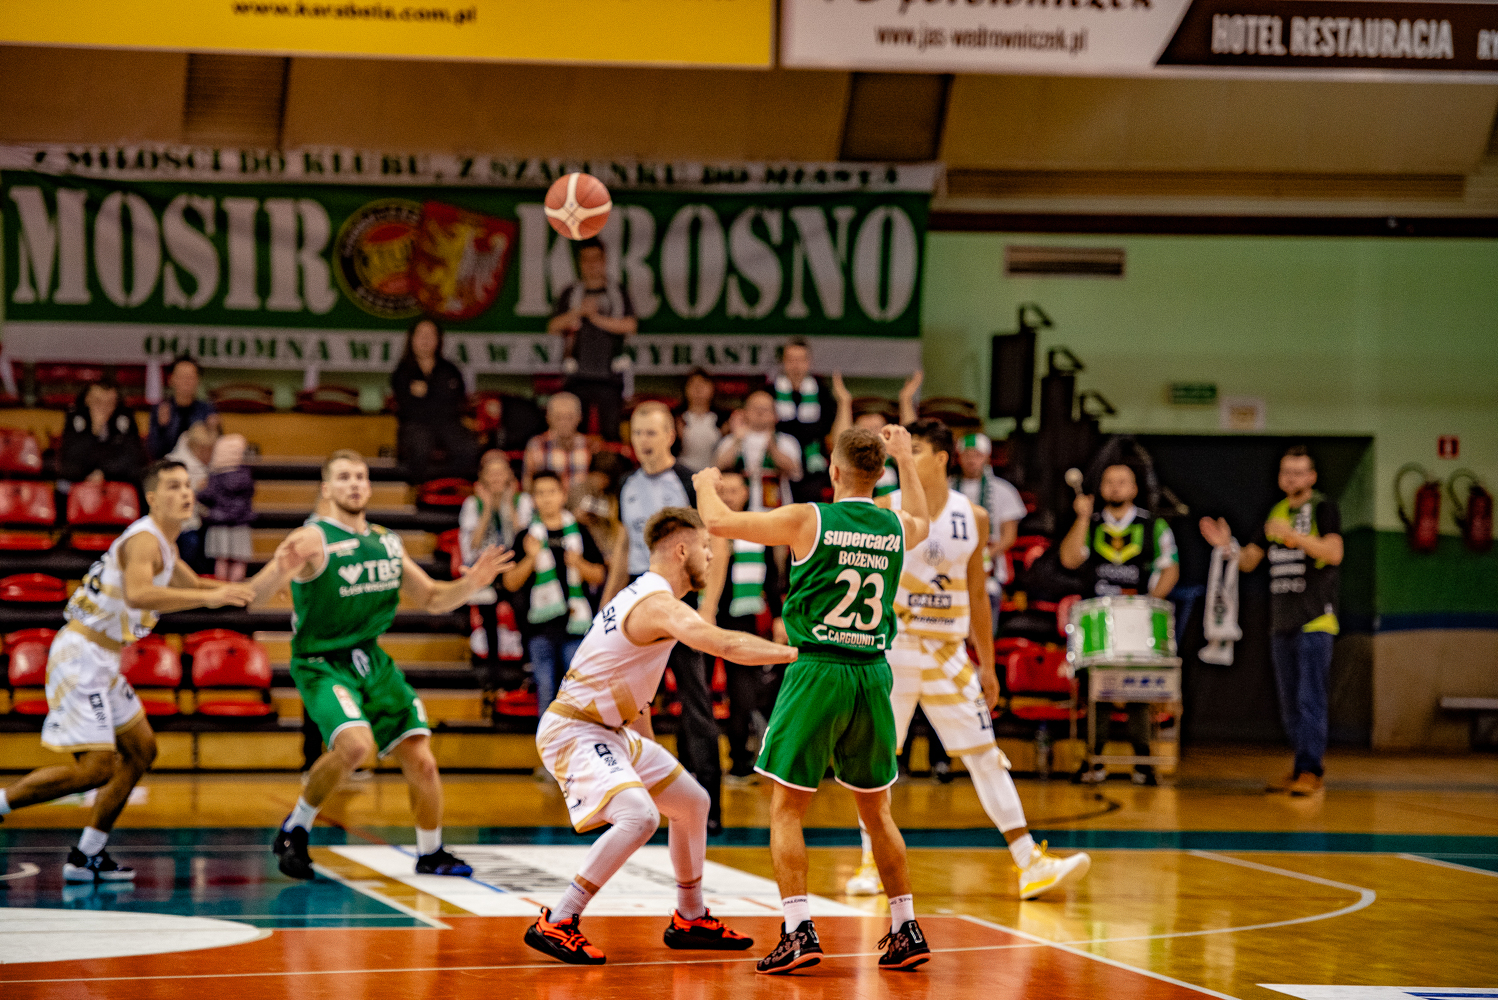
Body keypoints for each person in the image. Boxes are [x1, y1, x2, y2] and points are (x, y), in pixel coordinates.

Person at [695, 425, 934, 975]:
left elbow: (718, 522)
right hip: (872, 672)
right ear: (880, 473)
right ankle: (906, 927)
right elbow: (923, 519)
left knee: (786, 807)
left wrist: (706, 482)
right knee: (877, 812)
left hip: (817, 668)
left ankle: (798, 929)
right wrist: (907, 458)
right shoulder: (895, 525)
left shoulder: (810, 519)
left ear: (834, 470)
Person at [524, 508, 794, 966]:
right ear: (682, 550)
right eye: (706, 547)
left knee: (692, 802)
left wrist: (644, 749)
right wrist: (798, 654)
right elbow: (726, 645)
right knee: (639, 816)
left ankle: (690, 917)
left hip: (610, 728)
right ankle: (559, 918)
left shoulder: (642, 596)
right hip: (575, 728)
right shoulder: (658, 605)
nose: (712, 557)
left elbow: (630, 682)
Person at [843, 420, 1091, 901]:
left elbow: (977, 592)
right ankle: (871, 862)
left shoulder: (972, 516)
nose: (906, 456)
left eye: (916, 450)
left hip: (948, 653)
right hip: (893, 648)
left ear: (942, 458)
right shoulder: (885, 508)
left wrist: (989, 664)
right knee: (878, 759)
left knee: (984, 754)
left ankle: (1029, 862)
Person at [257, 450, 514, 881]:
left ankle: (430, 852)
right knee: (356, 747)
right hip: (322, 663)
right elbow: (261, 596)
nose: (354, 484)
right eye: (344, 477)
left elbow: (432, 598)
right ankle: (295, 827)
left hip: (371, 661)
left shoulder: (387, 542)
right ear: (327, 488)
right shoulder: (311, 540)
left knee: (422, 760)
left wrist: (472, 582)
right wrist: (276, 574)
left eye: (360, 476)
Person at [0, 461, 256, 879]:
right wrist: (213, 599)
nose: (185, 493)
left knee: (141, 750)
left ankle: (87, 854)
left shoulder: (165, 545)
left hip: (103, 658)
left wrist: (246, 588)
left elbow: (196, 585)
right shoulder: (144, 541)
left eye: (187, 486)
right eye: (173, 486)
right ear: (152, 498)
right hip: (80, 655)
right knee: (96, 768)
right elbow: (139, 594)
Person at [603, 402, 725, 833]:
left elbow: (717, 542)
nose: (644, 441)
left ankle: (706, 805)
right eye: (638, 433)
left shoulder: (687, 481)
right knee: (631, 705)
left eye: (652, 432)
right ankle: (641, 802)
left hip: (681, 599)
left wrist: (708, 608)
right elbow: (623, 546)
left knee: (695, 703)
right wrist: (608, 604)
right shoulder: (627, 484)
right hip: (639, 601)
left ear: (671, 436)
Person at [1200, 445, 1343, 797]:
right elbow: (1251, 560)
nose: (1291, 478)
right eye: (1286, 472)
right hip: (1282, 621)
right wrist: (1229, 548)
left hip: (1315, 620)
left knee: (1310, 699)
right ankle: (1300, 764)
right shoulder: (1274, 512)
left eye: (1298, 472)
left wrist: (1293, 536)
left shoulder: (1322, 508)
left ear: (1312, 476)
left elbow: (1334, 552)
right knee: (1289, 703)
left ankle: (1311, 770)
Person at [1060, 462, 1180, 785]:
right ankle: (1093, 760)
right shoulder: (1092, 523)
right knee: (1096, 689)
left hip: (1137, 620)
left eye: (1122, 481)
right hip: (1098, 620)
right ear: (1101, 488)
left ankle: (1142, 762)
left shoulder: (1153, 526)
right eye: (1109, 481)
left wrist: (1147, 605)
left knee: (1137, 688)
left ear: (1135, 488)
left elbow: (1170, 568)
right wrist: (1082, 517)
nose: (1115, 487)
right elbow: (1070, 558)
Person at [502, 471, 607, 716]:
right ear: (533, 498)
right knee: (546, 689)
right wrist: (531, 558)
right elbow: (510, 582)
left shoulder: (580, 532)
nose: (547, 498)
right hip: (539, 629)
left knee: (577, 691)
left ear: (562, 495)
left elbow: (600, 575)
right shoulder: (526, 536)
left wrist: (579, 564)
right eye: (540, 493)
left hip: (576, 626)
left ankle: (577, 739)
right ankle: (549, 740)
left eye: (552, 492)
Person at [706, 471, 785, 784]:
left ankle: (740, 761)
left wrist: (778, 617)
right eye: (722, 491)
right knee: (699, 690)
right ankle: (697, 763)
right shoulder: (705, 528)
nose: (727, 497)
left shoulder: (757, 530)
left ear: (745, 494)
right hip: (706, 617)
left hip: (743, 619)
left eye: (733, 490)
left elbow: (772, 578)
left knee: (742, 693)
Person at [548, 238, 637, 441]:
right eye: (585, 260)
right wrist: (579, 311)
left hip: (610, 376)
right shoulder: (571, 293)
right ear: (579, 263)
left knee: (610, 434)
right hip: (576, 375)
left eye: (595, 259)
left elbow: (630, 326)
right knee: (574, 433)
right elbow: (553, 326)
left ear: (604, 261)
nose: (591, 265)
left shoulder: (617, 292)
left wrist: (595, 317)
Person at [461, 451, 530, 676]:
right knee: (487, 612)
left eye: (501, 473)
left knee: (522, 606)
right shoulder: (473, 504)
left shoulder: (522, 501)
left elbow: (524, 540)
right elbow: (472, 545)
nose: (497, 478)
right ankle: (493, 670)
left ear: (510, 475)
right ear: (482, 478)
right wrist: (488, 509)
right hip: (486, 567)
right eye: (491, 474)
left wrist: (508, 506)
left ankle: (527, 664)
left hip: (513, 567)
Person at [390, 318, 478, 483]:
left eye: (430, 335)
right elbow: (408, 408)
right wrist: (437, 395)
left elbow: (456, 403)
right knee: (419, 446)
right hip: (415, 426)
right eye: (421, 335)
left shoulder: (450, 370)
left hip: (449, 424)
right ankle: (419, 491)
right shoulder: (403, 372)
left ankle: (454, 487)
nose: (425, 340)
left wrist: (427, 393)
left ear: (439, 340)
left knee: (468, 447)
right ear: (411, 339)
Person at [953, 432, 1027, 625]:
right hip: (952, 566)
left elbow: (1009, 536)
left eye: (977, 455)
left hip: (990, 570)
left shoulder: (1004, 490)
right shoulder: (947, 488)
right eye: (967, 455)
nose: (972, 460)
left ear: (987, 457)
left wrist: (983, 556)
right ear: (959, 457)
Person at [828, 370, 922, 498]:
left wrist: (906, 400)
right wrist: (844, 402)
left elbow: (909, 439)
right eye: (867, 430)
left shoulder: (894, 459)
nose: (873, 434)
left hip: (895, 508)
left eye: (877, 428)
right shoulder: (852, 460)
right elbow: (841, 442)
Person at [713, 391, 803, 512]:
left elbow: (795, 472)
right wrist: (736, 440)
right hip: (740, 510)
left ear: (775, 414)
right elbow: (718, 468)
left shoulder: (786, 441)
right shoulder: (731, 440)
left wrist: (772, 446)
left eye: (765, 409)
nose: (760, 412)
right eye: (755, 408)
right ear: (745, 411)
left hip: (776, 509)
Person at [772, 338, 834, 504]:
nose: (796, 365)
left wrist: (791, 428)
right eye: (791, 360)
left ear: (808, 362)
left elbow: (825, 427)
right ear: (783, 362)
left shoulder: (822, 392)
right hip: (779, 462)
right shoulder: (770, 391)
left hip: (813, 464)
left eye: (800, 360)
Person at [56, 379, 147, 492]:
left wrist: (103, 473)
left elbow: (133, 458)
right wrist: (94, 432)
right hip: (80, 482)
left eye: (110, 402)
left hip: (116, 482)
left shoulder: (125, 417)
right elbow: (70, 461)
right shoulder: (75, 417)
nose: (103, 407)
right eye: (98, 401)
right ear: (87, 400)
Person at [198, 434, 255, 582]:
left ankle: (222, 589)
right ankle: (235, 588)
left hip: (219, 523)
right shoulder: (246, 474)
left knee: (221, 559)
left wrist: (199, 489)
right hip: (241, 524)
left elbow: (206, 496)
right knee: (239, 560)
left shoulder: (215, 476)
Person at [166, 421, 218, 573]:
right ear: (199, 448)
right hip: (181, 527)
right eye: (208, 450)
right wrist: (197, 490)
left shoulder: (207, 468)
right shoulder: (175, 466)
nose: (210, 454)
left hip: (197, 523)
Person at [147, 355, 218, 459]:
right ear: (171, 379)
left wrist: (213, 432)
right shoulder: (161, 409)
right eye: (182, 377)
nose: (186, 382)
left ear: (198, 380)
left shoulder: (207, 410)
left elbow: (215, 451)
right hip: (168, 464)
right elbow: (154, 451)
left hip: (198, 465)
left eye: (190, 377)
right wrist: (162, 428)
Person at [522, 392, 594, 494]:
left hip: (581, 500)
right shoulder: (536, 445)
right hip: (547, 500)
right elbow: (527, 483)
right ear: (548, 418)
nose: (564, 422)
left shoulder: (590, 445)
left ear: (579, 417)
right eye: (558, 417)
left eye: (569, 417)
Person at [675, 367, 725, 473]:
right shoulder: (675, 417)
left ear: (712, 388)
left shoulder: (724, 420)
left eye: (703, 384)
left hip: (713, 473)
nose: (698, 389)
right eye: (693, 384)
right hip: (681, 472)